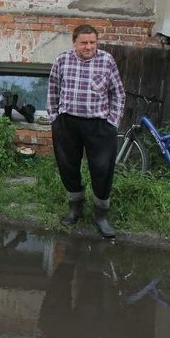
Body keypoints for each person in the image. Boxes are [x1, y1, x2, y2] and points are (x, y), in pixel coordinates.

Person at [47, 24, 125, 238]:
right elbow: (53, 89)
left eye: (92, 42)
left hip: (99, 125)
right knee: (68, 166)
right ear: (75, 42)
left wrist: (113, 122)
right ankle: (75, 208)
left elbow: (118, 93)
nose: (88, 46)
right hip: (67, 123)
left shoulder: (106, 61)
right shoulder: (62, 60)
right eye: (84, 42)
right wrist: (54, 118)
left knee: (102, 169)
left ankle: (101, 216)